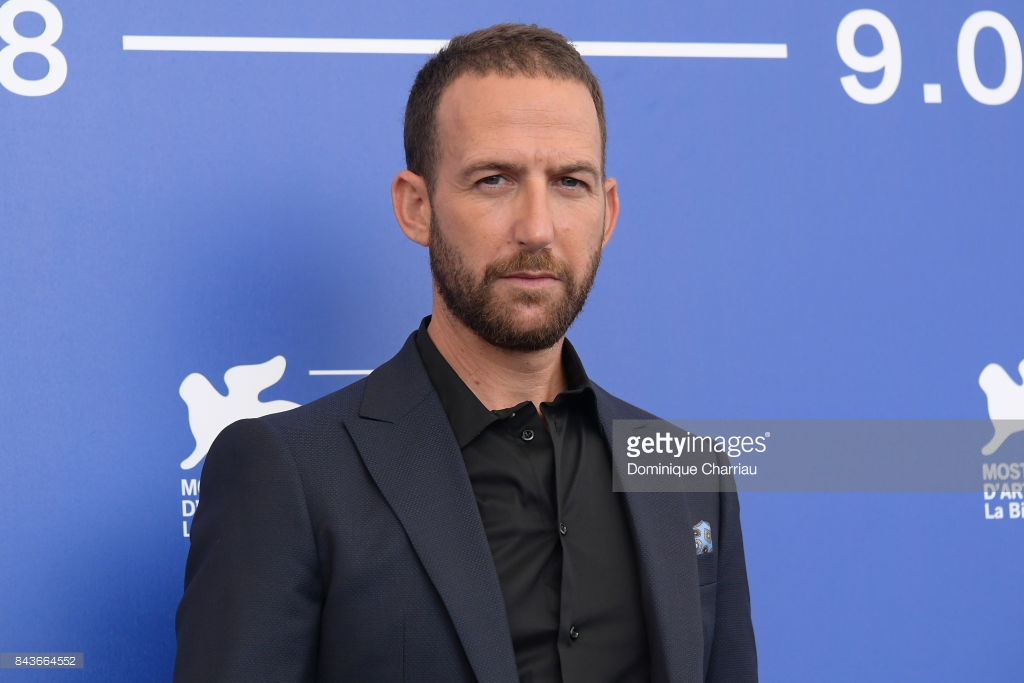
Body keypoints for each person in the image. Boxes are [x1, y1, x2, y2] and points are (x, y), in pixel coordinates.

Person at [174, 23, 756, 683]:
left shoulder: (688, 476)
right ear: (416, 206)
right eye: (494, 180)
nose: (537, 228)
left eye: (570, 182)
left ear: (608, 212)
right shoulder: (289, 474)